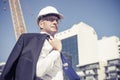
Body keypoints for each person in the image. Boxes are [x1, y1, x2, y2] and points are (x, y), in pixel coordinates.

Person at [0, 6, 80, 80]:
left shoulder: (54, 43)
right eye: (51, 19)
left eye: (57, 20)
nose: (55, 22)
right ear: (41, 24)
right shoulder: (38, 42)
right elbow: (38, 71)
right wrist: (56, 51)